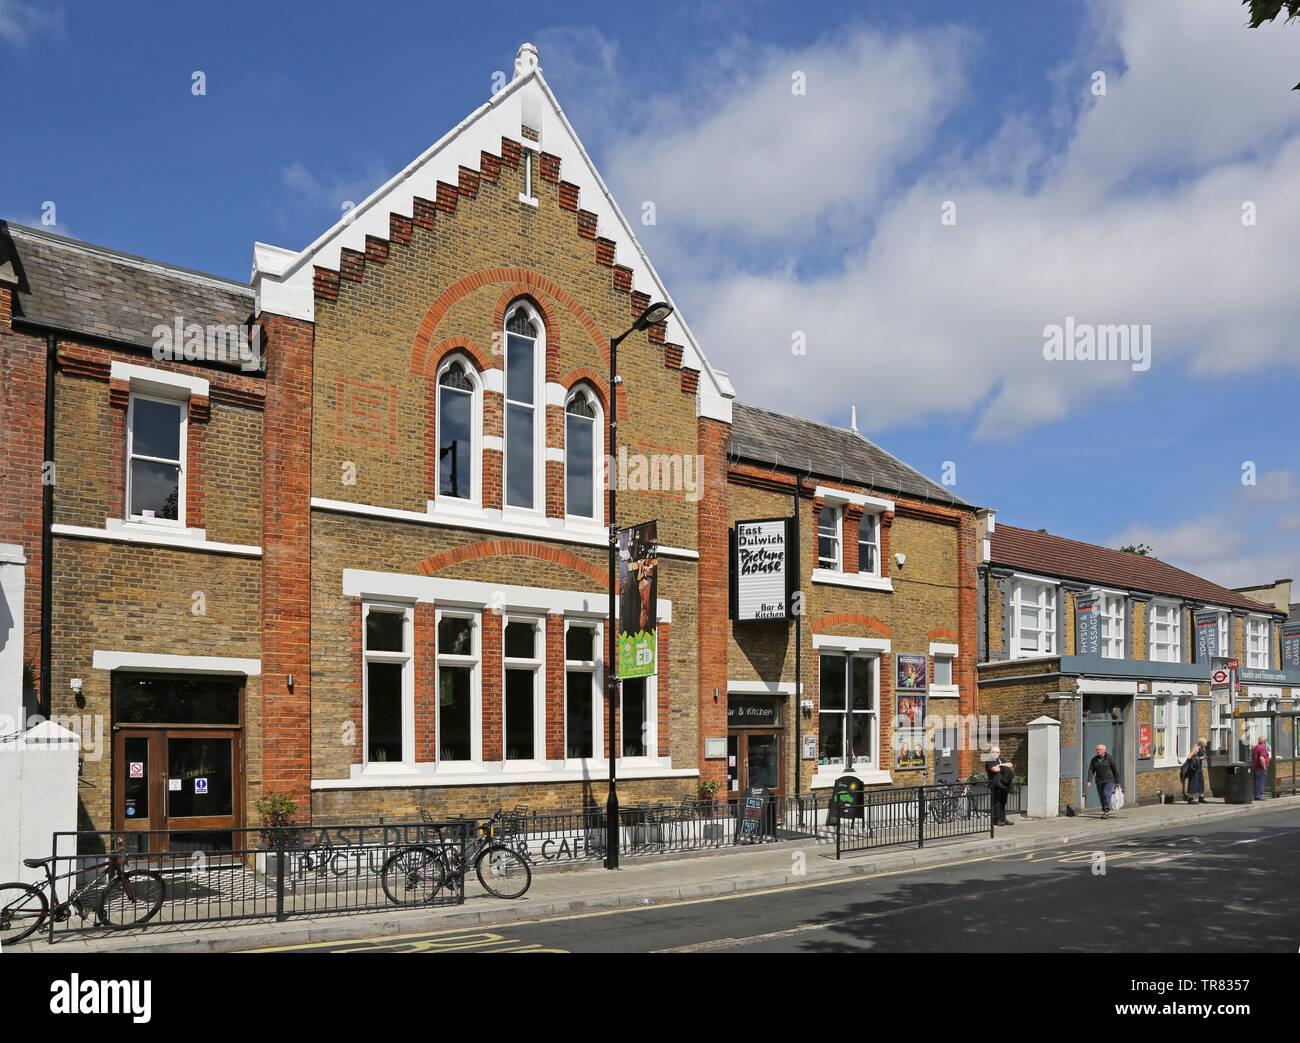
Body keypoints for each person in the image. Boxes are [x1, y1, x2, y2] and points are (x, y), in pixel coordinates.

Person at [1086, 743, 1121, 818]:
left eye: (1100, 749)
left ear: (1104, 750)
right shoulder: (1094, 760)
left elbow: (1116, 770)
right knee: (1101, 796)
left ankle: (1106, 811)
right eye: (1097, 750)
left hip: (1109, 780)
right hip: (1099, 781)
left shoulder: (1110, 758)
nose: (1098, 751)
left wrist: (1117, 782)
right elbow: (1091, 770)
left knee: (1106, 794)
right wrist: (1089, 780)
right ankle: (1104, 811)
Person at [985, 746, 1014, 826]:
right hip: (995, 784)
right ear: (990, 753)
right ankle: (997, 820)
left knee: (1003, 802)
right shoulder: (989, 761)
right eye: (993, 752)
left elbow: (1011, 766)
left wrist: (1001, 765)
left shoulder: (1002, 760)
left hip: (1003, 784)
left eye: (997, 752)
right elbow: (995, 769)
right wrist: (1004, 766)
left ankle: (1003, 819)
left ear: (999, 753)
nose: (995, 753)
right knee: (997, 802)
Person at [1182, 738, 1208, 804]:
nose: (1206, 744)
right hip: (1194, 769)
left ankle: (1201, 797)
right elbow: (1189, 757)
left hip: (1199, 768)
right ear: (1201, 743)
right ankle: (1190, 798)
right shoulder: (1196, 748)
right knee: (1193, 782)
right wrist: (1200, 758)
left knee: (1201, 782)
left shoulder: (1203, 749)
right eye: (1205, 743)